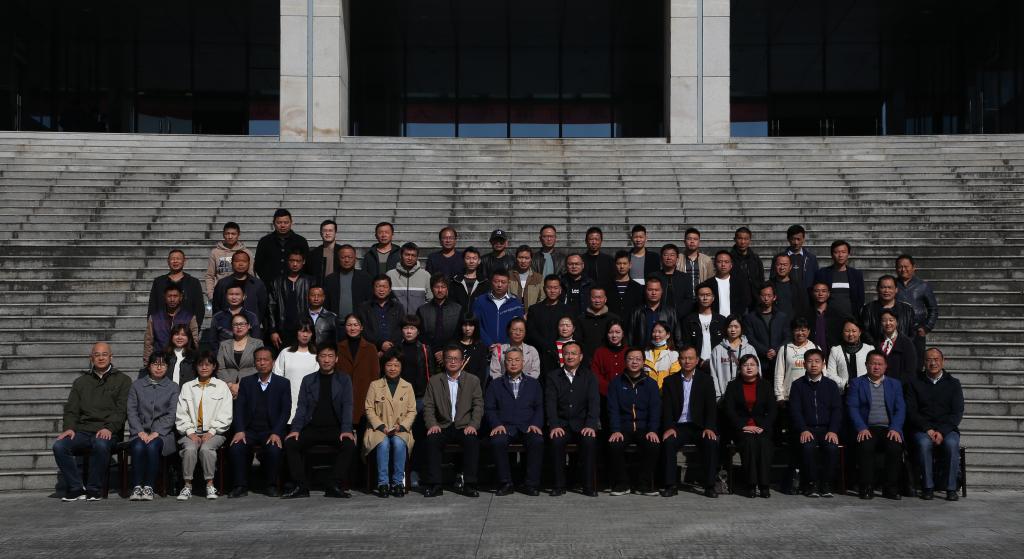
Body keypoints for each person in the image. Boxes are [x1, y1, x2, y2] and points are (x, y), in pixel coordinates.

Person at [54, 342, 131, 501]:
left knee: (100, 443)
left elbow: (122, 410)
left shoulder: (123, 380)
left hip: (109, 432)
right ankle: (76, 488)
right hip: (83, 431)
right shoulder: (81, 382)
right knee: (59, 446)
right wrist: (69, 428)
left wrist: (110, 428)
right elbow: (71, 409)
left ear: (111, 357)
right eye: (97, 355)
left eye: (104, 354)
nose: (101, 358)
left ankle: (93, 489)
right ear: (91, 358)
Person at [282, 345, 356, 498]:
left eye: (330, 356)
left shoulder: (344, 379)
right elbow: (302, 407)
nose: (326, 360)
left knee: (349, 444)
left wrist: (346, 429)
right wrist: (295, 429)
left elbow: (348, 406)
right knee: (291, 443)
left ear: (336, 359)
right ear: (317, 359)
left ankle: (333, 485)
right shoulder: (308, 380)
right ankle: (301, 486)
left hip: (335, 428)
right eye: (323, 356)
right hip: (312, 428)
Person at [422, 345, 485, 498]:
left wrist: (473, 425)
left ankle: (470, 485)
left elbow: (478, 405)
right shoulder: (435, 381)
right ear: (444, 361)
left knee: (472, 442)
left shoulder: (473, 380)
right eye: (449, 358)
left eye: (456, 358)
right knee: (432, 440)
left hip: (464, 425)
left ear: (462, 361)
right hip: (442, 425)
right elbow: (428, 406)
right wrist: (432, 424)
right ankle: (435, 484)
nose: (452, 361)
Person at [228, 347, 291, 498]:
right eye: (258, 360)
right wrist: (240, 430)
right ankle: (240, 486)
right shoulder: (246, 382)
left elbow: (285, 411)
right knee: (236, 447)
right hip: (249, 430)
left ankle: (271, 485)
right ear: (254, 363)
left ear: (272, 362)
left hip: (271, 430)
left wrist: (276, 432)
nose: (262, 363)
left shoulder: (282, 383)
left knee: (274, 449)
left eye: (265, 360)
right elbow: (239, 409)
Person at [659, 346, 720, 498]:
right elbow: (666, 408)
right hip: (678, 426)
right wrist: (669, 427)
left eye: (690, 358)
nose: (687, 361)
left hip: (699, 426)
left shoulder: (706, 380)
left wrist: (709, 427)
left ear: (697, 360)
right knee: (668, 442)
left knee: (711, 442)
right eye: (683, 358)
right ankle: (671, 485)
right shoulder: (669, 381)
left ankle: (710, 486)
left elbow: (711, 407)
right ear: (679, 360)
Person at [906, 348, 964, 501]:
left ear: (943, 361)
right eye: (929, 360)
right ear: (924, 362)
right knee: (924, 444)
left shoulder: (953, 383)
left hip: (947, 429)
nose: (933, 363)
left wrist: (942, 432)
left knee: (952, 444)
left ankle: (951, 488)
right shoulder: (914, 382)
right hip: (922, 429)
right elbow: (911, 411)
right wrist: (928, 429)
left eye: (936, 359)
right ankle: (928, 487)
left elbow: (957, 413)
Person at [847, 350, 906, 500]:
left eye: (880, 364)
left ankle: (890, 488)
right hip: (867, 427)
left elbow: (900, 408)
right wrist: (861, 427)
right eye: (873, 363)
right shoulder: (857, 383)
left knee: (895, 447)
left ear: (885, 366)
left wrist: (895, 428)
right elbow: (852, 407)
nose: (876, 367)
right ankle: (866, 487)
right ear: (866, 365)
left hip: (888, 428)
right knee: (866, 446)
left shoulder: (894, 384)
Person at [485, 348, 545, 496]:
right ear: (504, 363)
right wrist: (497, 424)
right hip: (505, 426)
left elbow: (539, 407)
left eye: (517, 360)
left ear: (523, 362)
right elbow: (490, 408)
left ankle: (531, 484)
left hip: (527, 426)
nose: (513, 363)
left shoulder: (533, 384)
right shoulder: (495, 384)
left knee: (537, 441)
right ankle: (506, 483)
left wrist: (536, 424)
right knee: (497, 441)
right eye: (510, 360)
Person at [545, 342, 600, 497]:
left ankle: (588, 486)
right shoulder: (553, 376)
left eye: (574, 353)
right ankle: (559, 485)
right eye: (567, 353)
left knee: (589, 441)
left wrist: (591, 425)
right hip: (561, 424)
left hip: (583, 424)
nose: (570, 356)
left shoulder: (589, 377)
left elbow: (594, 403)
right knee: (556, 441)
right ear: (562, 356)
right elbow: (550, 404)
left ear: (580, 357)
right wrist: (554, 425)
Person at [175, 351, 232, 500]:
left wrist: (212, 431)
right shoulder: (187, 387)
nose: (204, 367)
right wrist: (190, 432)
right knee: (189, 449)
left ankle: (210, 485)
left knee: (206, 449)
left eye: (208, 364)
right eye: (201, 364)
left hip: (215, 432)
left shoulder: (221, 386)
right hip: (191, 432)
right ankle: (187, 485)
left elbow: (226, 414)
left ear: (214, 366)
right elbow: (181, 413)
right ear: (196, 367)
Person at [606, 347, 661, 496]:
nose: (634, 362)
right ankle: (622, 484)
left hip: (644, 428)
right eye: (630, 359)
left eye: (638, 359)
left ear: (643, 362)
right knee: (614, 445)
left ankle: (643, 485)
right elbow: (613, 409)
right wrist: (615, 430)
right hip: (623, 427)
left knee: (653, 445)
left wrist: (653, 430)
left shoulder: (650, 384)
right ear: (625, 361)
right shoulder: (616, 383)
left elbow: (655, 409)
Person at [788, 349, 842, 498]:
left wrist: (833, 430)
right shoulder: (797, 385)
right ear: (804, 364)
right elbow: (795, 411)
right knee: (808, 447)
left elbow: (837, 410)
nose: (813, 365)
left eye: (817, 361)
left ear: (823, 364)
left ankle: (826, 484)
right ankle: (811, 484)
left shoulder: (831, 385)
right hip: (807, 428)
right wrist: (803, 429)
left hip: (826, 429)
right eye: (810, 362)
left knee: (832, 448)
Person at [363, 349, 417, 498]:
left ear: (401, 367)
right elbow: (369, 408)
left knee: (399, 444)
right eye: (389, 365)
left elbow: (412, 411)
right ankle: (383, 483)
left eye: (396, 365)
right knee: (383, 443)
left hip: (400, 429)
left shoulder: (408, 386)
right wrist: (381, 426)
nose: (392, 368)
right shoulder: (375, 385)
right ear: (383, 366)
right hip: (378, 429)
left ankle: (398, 483)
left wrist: (402, 426)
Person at [126, 352, 179, 501]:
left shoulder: (173, 387)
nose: (159, 368)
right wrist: (139, 431)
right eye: (155, 364)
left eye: (163, 364)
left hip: (163, 434)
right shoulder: (137, 385)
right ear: (149, 366)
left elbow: (172, 413)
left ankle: (149, 486)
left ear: (167, 367)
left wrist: (157, 432)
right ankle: (137, 486)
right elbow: (131, 411)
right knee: (138, 446)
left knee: (152, 446)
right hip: (140, 431)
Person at [723, 355, 777, 498]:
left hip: (761, 427)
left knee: (764, 443)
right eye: (745, 365)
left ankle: (764, 485)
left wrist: (763, 426)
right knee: (749, 443)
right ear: (740, 368)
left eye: (752, 365)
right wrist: (742, 426)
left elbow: (772, 410)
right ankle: (751, 484)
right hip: (741, 428)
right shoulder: (733, 386)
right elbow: (729, 410)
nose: (749, 368)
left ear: (757, 368)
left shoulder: (766, 385)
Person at [337, 313, 383, 428]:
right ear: (345, 327)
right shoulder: (338, 347)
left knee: (363, 430)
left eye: (356, 325)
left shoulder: (371, 348)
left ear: (361, 327)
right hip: (342, 395)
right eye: (349, 325)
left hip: (364, 395)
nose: (352, 328)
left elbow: (375, 374)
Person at [896, 254, 939, 369]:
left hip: (916, 332)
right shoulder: (892, 285)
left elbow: (933, 309)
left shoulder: (923, 286)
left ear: (914, 267)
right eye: (900, 267)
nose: (903, 269)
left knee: (916, 364)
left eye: (906, 266)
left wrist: (926, 327)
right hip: (896, 331)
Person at [268, 248, 315, 350]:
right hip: (283, 330)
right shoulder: (277, 282)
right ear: (287, 261)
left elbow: (316, 307)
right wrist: (273, 330)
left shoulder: (310, 281)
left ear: (303, 262)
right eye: (292, 260)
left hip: (304, 330)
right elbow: (271, 307)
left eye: (298, 261)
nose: (295, 264)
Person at [147, 249, 206, 329]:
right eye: (172, 259)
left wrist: (194, 328)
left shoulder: (193, 282)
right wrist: (153, 327)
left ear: (184, 261)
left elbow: (199, 308)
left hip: (186, 330)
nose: (175, 261)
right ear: (168, 261)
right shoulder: (159, 282)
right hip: (162, 328)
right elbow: (152, 306)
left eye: (178, 259)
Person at [273, 321, 318, 424]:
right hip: (287, 401)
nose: (305, 335)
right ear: (296, 333)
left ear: (312, 334)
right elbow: (276, 377)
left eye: (308, 332)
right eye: (302, 331)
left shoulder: (316, 355)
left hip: (310, 404)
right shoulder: (285, 352)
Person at [143, 284, 199, 364]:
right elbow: (148, 342)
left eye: (175, 296)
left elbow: (194, 341)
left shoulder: (189, 317)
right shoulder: (155, 318)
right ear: (164, 297)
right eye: (169, 296)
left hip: (183, 361)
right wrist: (147, 363)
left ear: (181, 297)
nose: (172, 299)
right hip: (160, 361)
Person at [743, 284, 789, 381]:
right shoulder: (750, 318)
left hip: (779, 361)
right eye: (763, 295)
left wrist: (776, 350)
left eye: (769, 295)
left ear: (774, 297)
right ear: (759, 297)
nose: (766, 298)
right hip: (759, 361)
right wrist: (765, 352)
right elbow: (750, 338)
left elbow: (787, 337)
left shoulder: (782, 317)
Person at [416, 274, 463, 365]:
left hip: (451, 355)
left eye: (443, 287)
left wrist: (445, 351)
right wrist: (435, 351)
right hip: (428, 354)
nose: (440, 290)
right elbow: (421, 334)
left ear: (447, 289)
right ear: (431, 288)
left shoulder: (457, 309)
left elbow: (458, 334)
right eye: (437, 287)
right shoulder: (422, 310)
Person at [709, 315, 760, 400]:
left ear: (741, 328)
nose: (733, 330)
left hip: (746, 396)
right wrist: (718, 396)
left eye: (736, 327)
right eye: (730, 327)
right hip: (724, 396)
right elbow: (713, 375)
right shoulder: (717, 350)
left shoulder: (750, 349)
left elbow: (757, 372)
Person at [254, 208, 310, 285]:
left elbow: (307, 264)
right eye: (279, 222)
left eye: (286, 222)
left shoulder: (301, 241)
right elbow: (258, 265)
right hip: (271, 286)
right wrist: (268, 281)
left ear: (291, 223)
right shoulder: (264, 241)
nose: (282, 225)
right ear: (274, 223)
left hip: (295, 285)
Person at [472, 268, 524, 348]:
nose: (499, 285)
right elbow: (476, 324)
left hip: (509, 348)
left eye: (503, 282)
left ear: (508, 283)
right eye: (496, 281)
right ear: (491, 282)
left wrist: (506, 345)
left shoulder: (515, 303)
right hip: (484, 347)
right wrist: (489, 343)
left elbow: (518, 328)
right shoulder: (480, 301)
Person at [211, 250, 269, 322]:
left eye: (244, 261)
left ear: (249, 263)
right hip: (226, 326)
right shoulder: (222, 284)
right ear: (232, 263)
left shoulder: (257, 284)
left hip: (250, 326)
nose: (241, 264)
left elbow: (262, 308)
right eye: (237, 261)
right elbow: (216, 307)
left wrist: (254, 323)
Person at [773, 317, 821, 402]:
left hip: (812, 395)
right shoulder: (784, 349)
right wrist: (779, 396)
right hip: (790, 396)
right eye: (797, 330)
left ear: (808, 331)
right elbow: (779, 374)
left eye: (803, 330)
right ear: (792, 331)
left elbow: (823, 372)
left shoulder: (815, 348)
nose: (800, 333)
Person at [860, 274, 916, 346]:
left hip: (902, 349)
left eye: (890, 287)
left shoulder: (907, 310)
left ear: (896, 289)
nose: (886, 291)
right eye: (883, 287)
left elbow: (912, 333)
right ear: (877, 289)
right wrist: (879, 347)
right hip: (876, 349)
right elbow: (865, 332)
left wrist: (902, 346)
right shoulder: (868, 309)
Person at [627, 276, 683, 348]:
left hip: (665, 352)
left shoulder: (671, 312)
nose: (653, 293)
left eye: (657, 290)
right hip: (642, 352)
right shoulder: (636, 312)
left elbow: (678, 337)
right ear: (645, 291)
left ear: (662, 291)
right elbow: (630, 336)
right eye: (650, 290)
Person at [356, 275, 406, 356]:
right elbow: (364, 330)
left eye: (385, 287)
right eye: (378, 286)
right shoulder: (364, 307)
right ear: (373, 288)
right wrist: (380, 344)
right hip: (371, 350)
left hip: (394, 351)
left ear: (390, 290)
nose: (381, 290)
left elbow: (401, 329)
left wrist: (390, 347)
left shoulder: (398, 307)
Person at [814, 240, 864, 319]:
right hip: (828, 318)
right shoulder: (822, 273)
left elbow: (860, 298)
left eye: (843, 252)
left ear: (848, 254)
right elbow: (816, 294)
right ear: (832, 254)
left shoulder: (856, 274)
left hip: (850, 318)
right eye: (836, 252)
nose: (840, 255)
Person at [217, 314, 264, 397]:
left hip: (251, 385)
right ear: (231, 327)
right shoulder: (224, 345)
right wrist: (230, 385)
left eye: (242, 324)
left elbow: (260, 366)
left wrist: (241, 384)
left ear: (248, 326)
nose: (239, 327)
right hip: (228, 388)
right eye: (235, 324)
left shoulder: (257, 344)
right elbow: (220, 368)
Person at [680, 285, 725, 370]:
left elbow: (725, 343)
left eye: (708, 295)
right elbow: (686, 344)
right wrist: (700, 361)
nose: (705, 298)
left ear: (713, 298)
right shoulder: (688, 320)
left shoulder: (721, 320)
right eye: (702, 295)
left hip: (719, 363)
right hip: (696, 364)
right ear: (697, 298)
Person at [698, 250, 753, 318]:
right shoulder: (708, 284)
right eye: (720, 262)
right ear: (715, 264)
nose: (723, 265)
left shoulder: (740, 283)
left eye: (726, 262)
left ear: (731, 265)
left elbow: (744, 302)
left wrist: (735, 318)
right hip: (714, 320)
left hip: (734, 321)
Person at [323, 244, 373, 319]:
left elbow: (370, 302)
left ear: (355, 259)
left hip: (359, 322)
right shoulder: (329, 279)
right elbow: (326, 304)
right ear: (338, 259)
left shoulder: (366, 278)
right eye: (343, 257)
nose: (346, 260)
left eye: (350, 257)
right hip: (335, 322)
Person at [206, 221, 253, 299]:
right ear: (223, 234)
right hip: (221, 293)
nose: (230, 237)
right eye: (227, 234)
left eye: (233, 234)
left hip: (240, 295)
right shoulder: (215, 252)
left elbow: (251, 274)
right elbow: (210, 275)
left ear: (238, 235)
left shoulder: (246, 253)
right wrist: (211, 295)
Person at [210, 284, 262, 352]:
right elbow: (213, 341)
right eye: (231, 294)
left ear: (244, 296)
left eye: (237, 294)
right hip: (224, 354)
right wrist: (220, 355)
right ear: (226, 296)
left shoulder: (251, 316)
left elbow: (256, 339)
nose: (234, 297)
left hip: (247, 355)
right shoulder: (217, 317)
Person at [526, 274, 572, 350]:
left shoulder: (567, 310)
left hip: (560, 350)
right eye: (549, 288)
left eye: (555, 288)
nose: (552, 291)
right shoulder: (534, 309)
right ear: (544, 289)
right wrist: (545, 345)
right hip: (539, 350)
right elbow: (531, 332)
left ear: (560, 289)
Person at [827, 319, 874, 390]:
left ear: (859, 332)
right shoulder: (835, 350)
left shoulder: (869, 349)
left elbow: (874, 370)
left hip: (865, 390)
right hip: (843, 392)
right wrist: (845, 384)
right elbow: (830, 374)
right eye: (847, 331)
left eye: (854, 331)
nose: (850, 334)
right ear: (842, 332)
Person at [577, 286, 620, 362]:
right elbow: (578, 342)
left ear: (605, 299)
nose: (597, 300)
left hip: (608, 359)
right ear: (589, 298)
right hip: (586, 361)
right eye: (594, 297)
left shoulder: (614, 318)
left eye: (600, 297)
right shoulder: (581, 319)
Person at [387, 242, 432, 311]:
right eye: (407, 255)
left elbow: (430, 300)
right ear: (400, 255)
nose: (410, 258)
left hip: (418, 317)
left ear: (417, 257)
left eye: (413, 255)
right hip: (396, 317)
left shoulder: (426, 275)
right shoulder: (390, 275)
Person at [877, 309, 918, 383]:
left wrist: (896, 385)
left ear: (897, 322)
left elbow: (910, 370)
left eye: (891, 320)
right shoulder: (877, 341)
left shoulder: (906, 343)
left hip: (900, 385)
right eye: (884, 321)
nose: (888, 323)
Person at [654, 243, 694, 319]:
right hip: (658, 317)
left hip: (680, 318)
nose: (668, 258)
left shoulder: (685, 278)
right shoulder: (654, 276)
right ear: (661, 258)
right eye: (665, 255)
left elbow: (689, 299)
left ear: (677, 259)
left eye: (672, 255)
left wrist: (677, 314)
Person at [396, 315, 432, 400]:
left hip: (420, 394)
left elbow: (430, 372)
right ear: (401, 330)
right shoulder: (396, 349)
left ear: (418, 331)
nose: (409, 331)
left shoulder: (425, 349)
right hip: (400, 393)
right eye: (406, 328)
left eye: (412, 328)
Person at [806, 281, 848, 350]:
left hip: (832, 352)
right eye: (817, 291)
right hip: (811, 353)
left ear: (828, 294)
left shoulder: (838, 315)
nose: (820, 294)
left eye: (824, 291)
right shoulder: (806, 315)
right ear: (812, 293)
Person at [775, 224, 818, 291]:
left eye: (798, 239)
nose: (796, 242)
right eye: (793, 239)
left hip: (806, 294)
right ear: (788, 239)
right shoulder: (778, 258)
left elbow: (816, 279)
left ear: (803, 239)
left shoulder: (811, 258)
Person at [591, 320, 627, 398]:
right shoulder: (600, 352)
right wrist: (609, 389)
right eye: (610, 332)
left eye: (618, 332)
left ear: (623, 334)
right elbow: (595, 374)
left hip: (626, 394)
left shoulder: (629, 351)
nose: (614, 335)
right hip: (604, 395)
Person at [769, 253, 809, 321]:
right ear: (775, 266)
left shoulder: (798, 286)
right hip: (773, 323)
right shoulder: (768, 286)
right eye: (779, 264)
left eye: (785, 265)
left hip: (793, 324)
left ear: (790, 267)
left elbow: (804, 307)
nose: (782, 268)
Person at [678, 228, 715, 299]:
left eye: (695, 239)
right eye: (689, 239)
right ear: (684, 241)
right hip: (683, 298)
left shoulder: (707, 260)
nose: (692, 241)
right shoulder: (678, 259)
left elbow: (710, 281)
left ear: (699, 242)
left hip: (701, 298)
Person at [730, 227, 765, 299]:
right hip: (735, 298)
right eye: (740, 238)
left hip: (754, 299)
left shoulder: (755, 259)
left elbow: (761, 279)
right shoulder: (729, 259)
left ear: (750, 240)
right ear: (735, 239)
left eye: (746, 239)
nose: (743, 242)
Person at [643, 321, 681, 390]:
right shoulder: (645, 353)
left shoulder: (673, 355)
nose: (656, 334)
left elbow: (675, 379)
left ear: (668, 335)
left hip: (665, 393)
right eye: (654, 332)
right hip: (647, 393)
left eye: (660, 332)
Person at [455, 314, 491, 387]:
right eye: (465, 325)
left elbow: (482, 373)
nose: (467, 328)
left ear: (475, 327)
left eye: (471, 325)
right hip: (456, 385)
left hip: (475, 386)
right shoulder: (454, 345)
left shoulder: (481, 346)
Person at [304, 219, 342, 286]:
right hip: (319, 289)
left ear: (335, 232)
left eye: (330, 230)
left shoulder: (342, 252)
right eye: (325, 231)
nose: (327, 233)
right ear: (320, 233)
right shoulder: (313, 254)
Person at [608, 250, 644, 319]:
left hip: (631, 324)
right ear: (615, 265)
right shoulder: (607, 286)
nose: (622, 266)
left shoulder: (637, 287)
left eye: (625, 263)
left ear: (630, 265)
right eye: (619, 263)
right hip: (612, 324)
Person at [508, 245, 544, 313]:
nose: (523, 261)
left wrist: (533, 313)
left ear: (531, 259)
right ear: (516, 258)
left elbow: (542, 299)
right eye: (520, 257)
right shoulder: (509, 276)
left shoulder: (538, 278)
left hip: (532, 314)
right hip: (512, 313)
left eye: (527, 258)